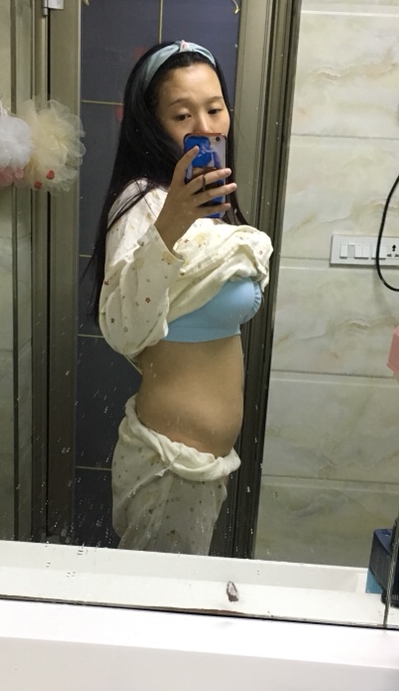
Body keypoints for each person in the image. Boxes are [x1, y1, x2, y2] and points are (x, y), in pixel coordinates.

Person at [89, 40, 273, 555]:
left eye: (215, 109)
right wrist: (170, 223)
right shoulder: (144, 203)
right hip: (169, 463)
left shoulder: (211, 205)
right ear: (152, 123)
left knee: (169, 593)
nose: (206, 126)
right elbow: (121, 326)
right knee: (156, 598)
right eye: (182, 115)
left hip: (195, 465)